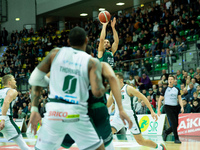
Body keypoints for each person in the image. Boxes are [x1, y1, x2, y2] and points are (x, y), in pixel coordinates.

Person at [28, 27, 106, 150]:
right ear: (86, 40)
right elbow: (97, 92)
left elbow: (34, 79)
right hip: (76, 113)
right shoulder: (92, 62)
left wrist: (34, 108)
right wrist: (104, 87)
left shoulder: (55, 53)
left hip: (54, 112)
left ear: (69, 42)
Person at [59, 46, 132, 150]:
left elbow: (48, 78)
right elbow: (112, 78)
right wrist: (120, 108)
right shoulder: (100, 65)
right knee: (106, 145)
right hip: (98, 109)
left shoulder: (70, 68)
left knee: (62, 142)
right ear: (92, 55)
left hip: (79, 111)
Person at [107, 72, 166, 150]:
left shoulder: (128, 88)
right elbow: (108, 104)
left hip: (130, 118)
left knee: (141, 141)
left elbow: (143, 97)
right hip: (118, 117)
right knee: (107, 134)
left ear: (121, 80)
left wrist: (152, 111)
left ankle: (159, 147)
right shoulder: (113, 90)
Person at [0, 74, 30, 150]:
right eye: (14, 79)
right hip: (5, 119)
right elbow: (6, 102)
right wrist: (2, 119)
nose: (15, 81)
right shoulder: (12, 91)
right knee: (23, 145)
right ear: (9, 82)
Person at [158, 75, 184, 144]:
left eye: (172, 79)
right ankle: (176, 138)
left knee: (176, 124)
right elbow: (160, 100)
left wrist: (182, 107)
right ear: (168, 80)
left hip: (175, 107)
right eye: (169, 79)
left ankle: (166, 132)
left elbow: (180, 99)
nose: (170, 80)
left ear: (173, 80)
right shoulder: (164, 89)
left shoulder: (177, 89)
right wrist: (158, 110)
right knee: (174, 123)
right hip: (167, 107)